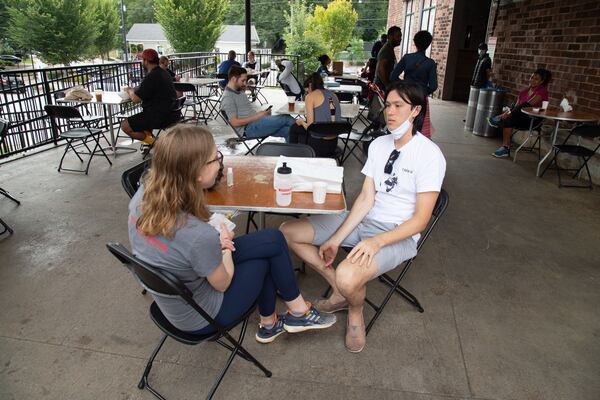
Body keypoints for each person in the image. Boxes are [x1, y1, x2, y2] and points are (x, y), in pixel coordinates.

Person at [128, 125, 336, 343]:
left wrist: (214, 241)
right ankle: (273, 323)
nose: (220, 162)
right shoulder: (197, 235)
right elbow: (223, 283)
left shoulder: (142, 196)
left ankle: (295, 313)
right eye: (215, 158)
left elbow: (180, 243)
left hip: (176, 293)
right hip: (202, 316)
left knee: (273, 238)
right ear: (196, 173)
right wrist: (225, 246)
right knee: (265, 261)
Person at [281, 80, 446, 353]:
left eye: (398, 106)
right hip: (364, 220)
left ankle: (355, 310)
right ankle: (340, 290)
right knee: (288, 231)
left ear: (415, 111)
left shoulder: (430, 155)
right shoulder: (379, 145)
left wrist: (376, 242)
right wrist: (337, 238)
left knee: (349, 276)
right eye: (387, 105)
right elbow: (366, 198)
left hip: (396, 232)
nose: (389, 112)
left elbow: (420, 221)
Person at [221, 65, 294, 142]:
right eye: (243, 80)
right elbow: (234, 122)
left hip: (256, 123)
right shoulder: (228, 97)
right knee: (285, 118)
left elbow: (247, 112)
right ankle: (307, 130)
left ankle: (295, 152)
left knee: (289, 131)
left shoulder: (239, 91)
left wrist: (261, 114)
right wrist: (258, 116)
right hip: (248, 129)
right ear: (233, 79)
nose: (245, 83)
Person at [121, 49, 179, 145]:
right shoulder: (164, 73)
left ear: (146, 61)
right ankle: (149, 142)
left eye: (142, 60)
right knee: (142, 120)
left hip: (159, 116)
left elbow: (135, 99)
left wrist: (130, 90)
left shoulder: (152, 76)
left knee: (124, 126)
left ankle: (154, 143)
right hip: (172, 113)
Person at [489, 68, 551, 158]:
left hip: (533, 120)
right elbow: (516, 107)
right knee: (508, 119)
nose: (532, 80)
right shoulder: (524, 91)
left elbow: (528, 104)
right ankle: (505, 148)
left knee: (518, 110)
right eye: (532, 77)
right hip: (519, 116)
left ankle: (500, 118)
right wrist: (509, 112)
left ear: (541, 82)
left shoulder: (542, 91)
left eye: (536, 79)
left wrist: (506, 114)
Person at [390, 30, 437, 138]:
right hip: (420, 98)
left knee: (403, 122)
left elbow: (393, 76)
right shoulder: (430, 63)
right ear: (429, 44)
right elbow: (434, 86)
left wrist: (403, 85)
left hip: (405, 95)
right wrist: (423, 92)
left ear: (415, 42)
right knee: (418, 126)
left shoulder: (407, 58)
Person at [289, 73, 341, 157]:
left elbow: (310, 128)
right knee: (297, 127)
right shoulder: (334, 95)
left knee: (294, 127)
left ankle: (292, 156)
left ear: (310, 85)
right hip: (333, 144)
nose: (307, 93)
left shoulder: (310, 97)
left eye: (307, 91)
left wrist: (302, 122)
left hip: (318, 146)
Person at [374, 26, 402, 91]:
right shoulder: (387, 50)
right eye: (398, 36)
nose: (400, 39)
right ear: (390, 36)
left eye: (400, 36)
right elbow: (381, 69)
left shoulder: (390, 49)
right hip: (381, 87)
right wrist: (387, 85)